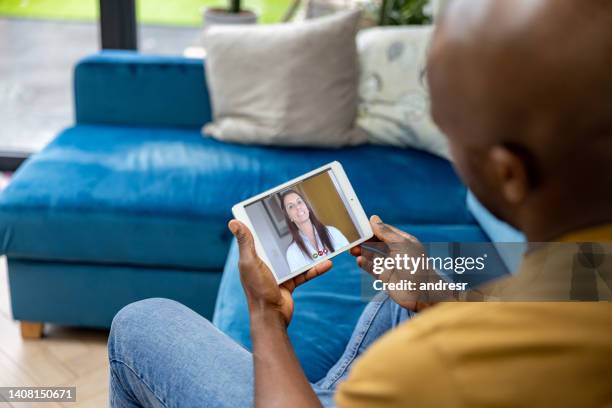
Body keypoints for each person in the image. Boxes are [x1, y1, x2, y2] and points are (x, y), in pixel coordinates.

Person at [107, 0, 612, 406]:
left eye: (451, 130)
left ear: (509, 174)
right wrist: (439, 294)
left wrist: (264, 315)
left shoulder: (433, 368)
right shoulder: (589, 274)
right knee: (395, 304)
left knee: (142, 322)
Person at [280, 189, 349, 272]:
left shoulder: (333, 232)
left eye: (299, 202)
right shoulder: (292, 253)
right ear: (289, 217)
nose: (298, 207)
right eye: (291, 206)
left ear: (307, 207)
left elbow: (350, 258)